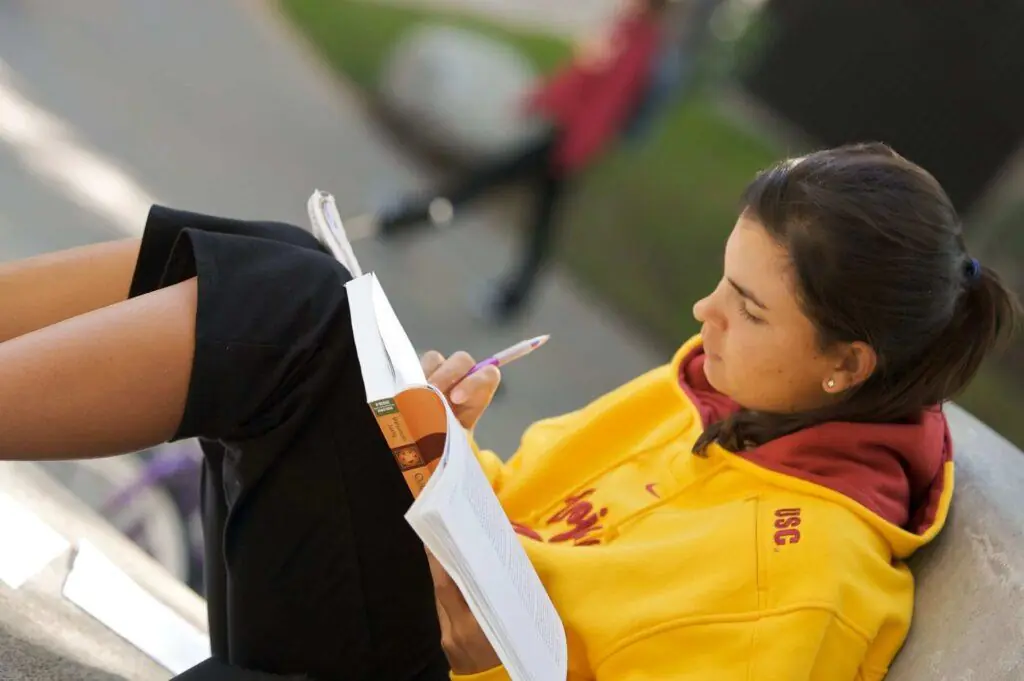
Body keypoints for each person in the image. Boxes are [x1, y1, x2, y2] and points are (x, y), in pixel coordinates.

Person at [0, 142, 1019, 681]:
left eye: (747, 308)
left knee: (304, 311)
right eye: (721, 279)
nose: (704, 313)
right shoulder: (717, 394)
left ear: (847, 365)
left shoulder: (812, 588)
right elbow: (513, 521)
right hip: (404, 631)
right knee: (304, 277)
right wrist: (441, 443)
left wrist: (482, 647)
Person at [372, 0, 678, 323]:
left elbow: (606, 100)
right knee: (533, 220)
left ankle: (403, 221)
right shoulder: (628, 30)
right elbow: (582, 76)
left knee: (482, 187)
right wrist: (541, 99)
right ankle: (507, 298)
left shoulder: (638, 41)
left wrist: (574, 147)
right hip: (562, 137)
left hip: (565, 144)